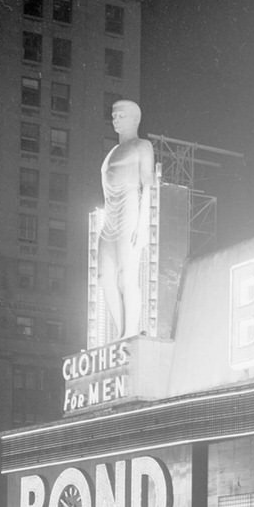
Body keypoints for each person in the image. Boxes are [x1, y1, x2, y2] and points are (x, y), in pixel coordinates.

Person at [97, 99, 155, 341]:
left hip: (129, 212)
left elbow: (149, 184)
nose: (116, 120)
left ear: (135, 119)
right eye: (114, 116)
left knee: (126, 275)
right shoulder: (112, 152)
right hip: (110, 217)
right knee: (105, 277)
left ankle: (129, 331)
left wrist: (143, 224)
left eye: (121, 116)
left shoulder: (142, 146)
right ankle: (120, 332)